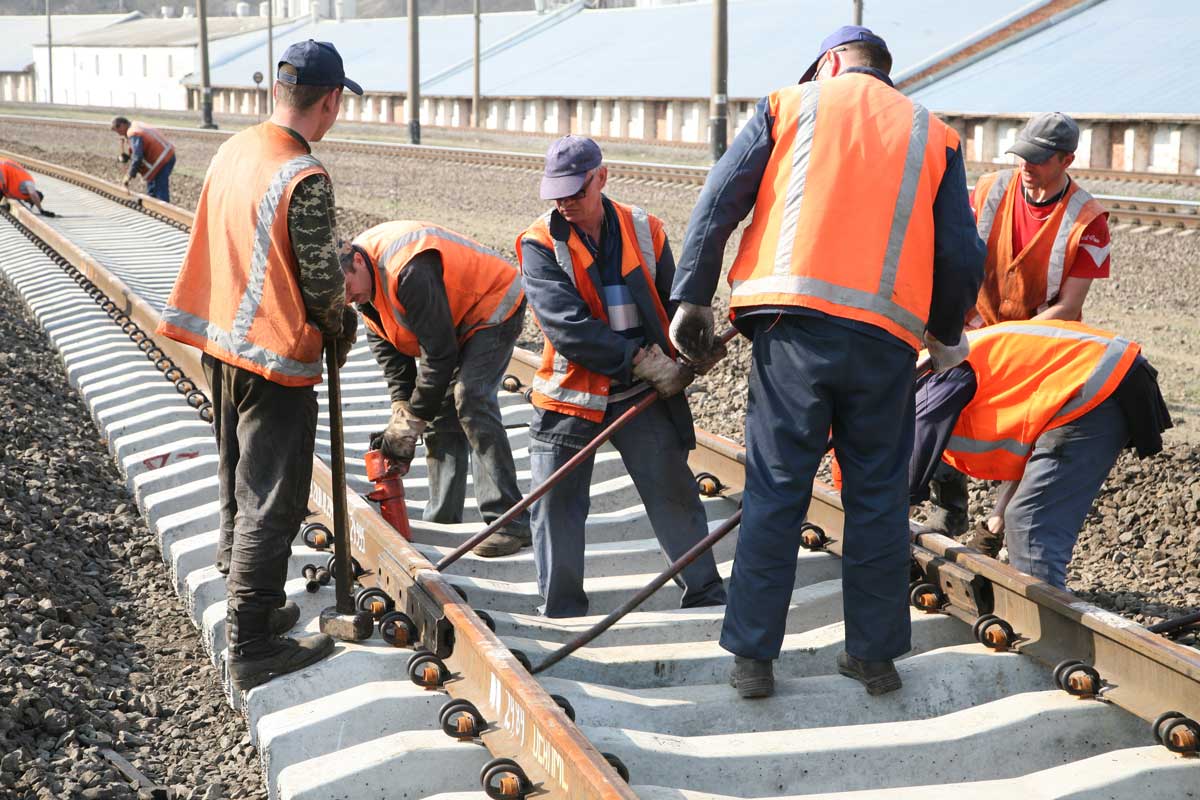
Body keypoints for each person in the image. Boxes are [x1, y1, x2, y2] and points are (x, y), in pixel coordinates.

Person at [669, 26, 985, 698]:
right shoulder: (937, 135)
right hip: (885, 342)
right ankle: (873, 658)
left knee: (777, 488)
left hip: (792, 330)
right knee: (875, 497)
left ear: (833, 63)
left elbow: (720, 200)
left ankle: (754, 659)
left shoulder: (790, 104)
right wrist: (946, 332)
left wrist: (692, 296)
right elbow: (961, 251)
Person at [156, 40, 362, 691]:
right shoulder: (303, 175)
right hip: (275, 361)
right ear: (330, 100)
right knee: (274, 500)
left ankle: (256, 593)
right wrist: (344, 323)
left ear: (279, 90)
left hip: (222, 347)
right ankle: (253, 642)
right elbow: (323, 282)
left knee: (236, 479)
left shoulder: (233, 149)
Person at [515, 135, 727, 618]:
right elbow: (567, 327)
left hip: (637, 396)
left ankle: (706, 596)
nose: (566, 204)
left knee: (673, 490)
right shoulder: (539, 242)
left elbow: (673, 304)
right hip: (571, 396)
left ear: (601, 177)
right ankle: (563, 611)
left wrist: (690, 348)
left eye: (575, 192)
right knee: (554, 506)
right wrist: (644, 362)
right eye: (558, 195)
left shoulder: (644, 229)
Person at [925, 112, 1111, 542]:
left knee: (1034, 422)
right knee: (935, 402)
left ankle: (995, 524)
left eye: (1039, 160)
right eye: (1022, 157)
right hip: (974, 321)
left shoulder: (1088, 221)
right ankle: (949, 506)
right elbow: (954, 252)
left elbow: (1068, 306)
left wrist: (1008, 340)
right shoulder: (990, 189)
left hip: (1042, 338)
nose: (1026, 167)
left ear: (1067, 160)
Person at [909, 320, 1170, 588]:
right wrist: (992, 527)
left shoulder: (930, 379)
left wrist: (885, 537)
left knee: (1030, 521)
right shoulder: (932, 377)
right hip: (1092, 381)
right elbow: (1029, 443)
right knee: (1020, 515)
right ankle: (1043, 603)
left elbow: (904, 484)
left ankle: (1047, 621)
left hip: (1097, 382)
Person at [340, 221, 530, 556]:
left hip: (492, 303)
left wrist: (412, 422)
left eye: (349, 288)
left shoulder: (408, 270)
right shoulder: (362, 289)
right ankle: (444, 518)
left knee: (470, 397)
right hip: (452, 318)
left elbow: (440, 355)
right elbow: (393, 353)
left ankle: (510, 522)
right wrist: (402, 407)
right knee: (440, 408)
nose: (350, 298)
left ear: (357, 261)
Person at [111, 116, 176, 202]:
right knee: (152, 190)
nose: (120, 134)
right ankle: (153, 208)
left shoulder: (133, 133)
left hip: (162, 160)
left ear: (123, 125)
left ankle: (165, 212)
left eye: (119, 131)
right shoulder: (136, 125)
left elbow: (138, 156)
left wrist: (129, 175)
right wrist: (129, 156)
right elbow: (140, 151)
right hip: (163, 157)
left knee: (160, 190)